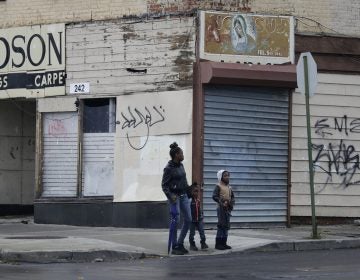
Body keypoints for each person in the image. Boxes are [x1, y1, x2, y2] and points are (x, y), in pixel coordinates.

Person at [162, 142, 193, 255]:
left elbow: (184, 181)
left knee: (189, 219)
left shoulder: (181, 165)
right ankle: (174, 246)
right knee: (176, 220)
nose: (183, 155)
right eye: (182, 153)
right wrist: (171, 196)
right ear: (176, 155)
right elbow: (164, 185)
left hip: (184, 195)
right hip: (175, 197)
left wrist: (190, 192)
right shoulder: (168, 168)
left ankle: (180, 243)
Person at [212, 170, 235, 250]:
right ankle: (218, 244)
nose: (227, 177)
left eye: (228, 175)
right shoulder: (218, 186)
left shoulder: (229, 187)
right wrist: (222, 202)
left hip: (227, 209)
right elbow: (214, 196)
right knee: (221, 225)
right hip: (221, 208)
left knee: (226, 226)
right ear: (220, 177)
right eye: (225, 176)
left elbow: (232, 197)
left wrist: (230, 204)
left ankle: (224, 243)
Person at [188, 187, 208, 251]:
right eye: (194, 191)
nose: (196, 193)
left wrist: (201, 216)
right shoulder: (190, 201)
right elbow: (187, 210)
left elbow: (200, 209)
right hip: (192, 220)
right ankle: (192, 245)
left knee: (202, 231)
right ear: (191, 192)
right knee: (192, 233)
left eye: (197, 191)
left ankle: (203, 243)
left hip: (199, 219)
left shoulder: (198, 200)